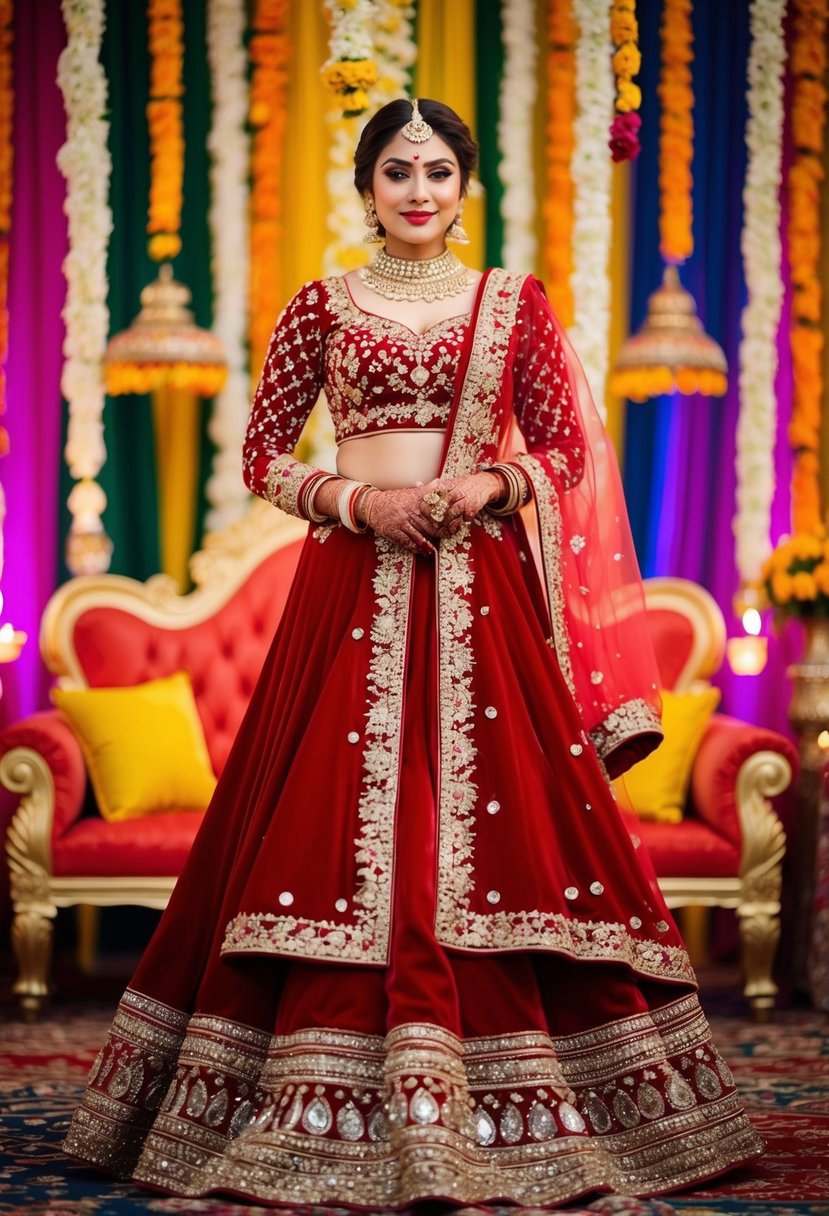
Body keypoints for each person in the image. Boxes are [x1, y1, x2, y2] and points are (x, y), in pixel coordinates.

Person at [64, 98, 762, 1208]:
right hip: (347, 585)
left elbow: (567, 448)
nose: (420, 190)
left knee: (502, 819)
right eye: (399, 171)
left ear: (464, 184)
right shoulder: (323, 306)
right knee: (320, 813)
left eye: (438, 170)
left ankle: (534, 1086)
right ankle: (297, 1086)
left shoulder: (510, 304)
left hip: (478, 590)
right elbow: (260, 455)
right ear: (367, 185)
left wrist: (488, 482)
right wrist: (356, 499)